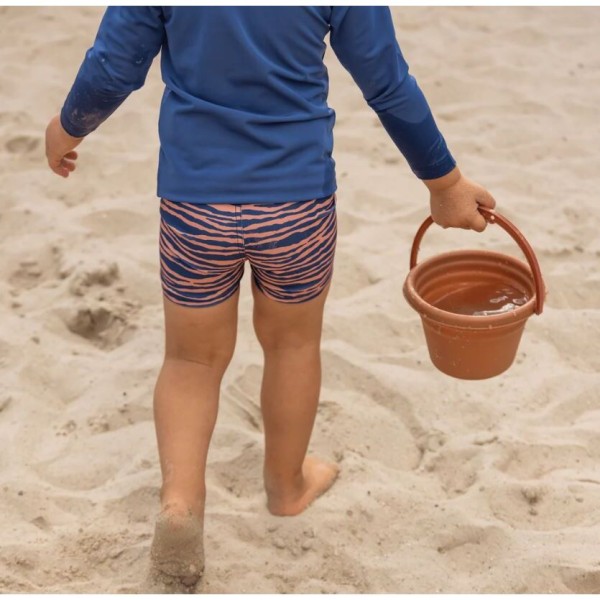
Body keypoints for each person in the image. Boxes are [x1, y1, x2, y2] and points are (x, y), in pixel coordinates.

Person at [45, 6, 496, 588]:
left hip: (195, 202)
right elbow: (386, 81)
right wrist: (445, 183)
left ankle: (181, 503)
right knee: (292, 344)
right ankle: (286, 487)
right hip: (297, 202)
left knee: (190, 360)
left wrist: (68, 128)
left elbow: (114, 65)